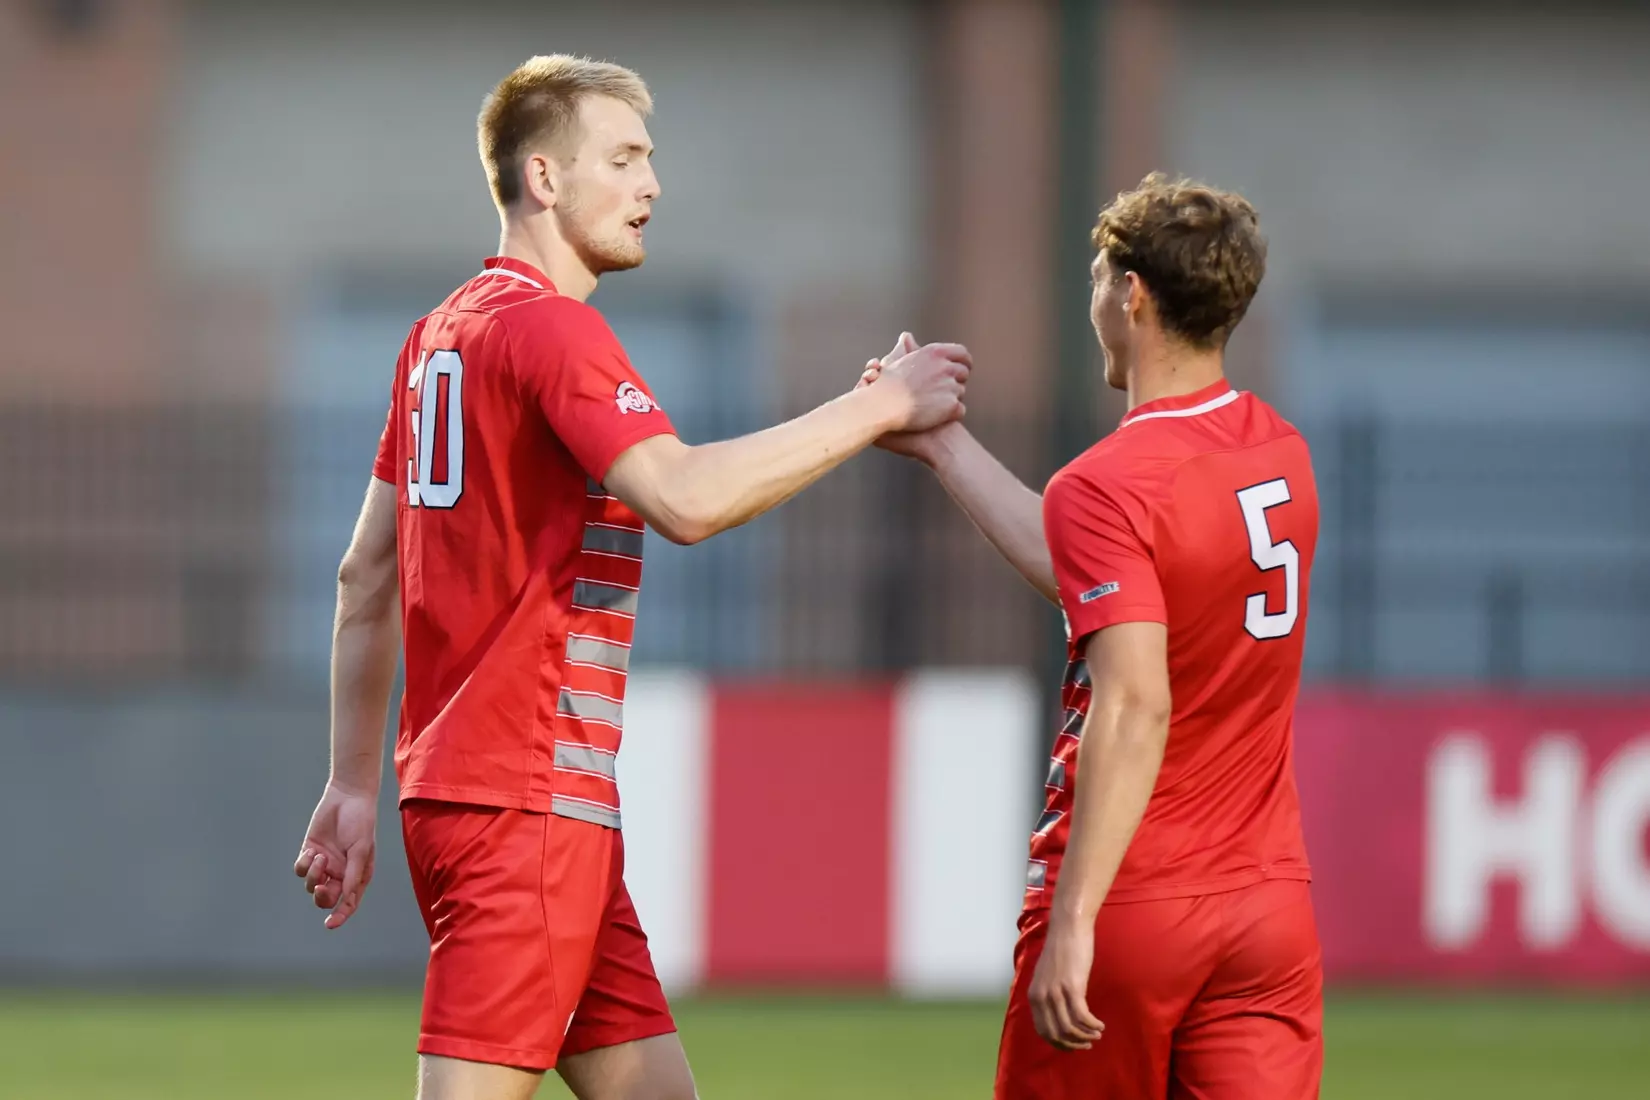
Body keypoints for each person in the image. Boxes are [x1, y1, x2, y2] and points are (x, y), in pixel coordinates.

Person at [292, 55, 969, 1100]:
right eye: (625, 158)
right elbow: (685, 496)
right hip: (527, 807)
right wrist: (875, 407)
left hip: (481, 801)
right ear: (544, 178)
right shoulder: (549, 329)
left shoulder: (437, 335)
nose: (652, 184)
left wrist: (349, 781)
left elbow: (361, 574)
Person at [866, 173, 1321, 1099]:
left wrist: (1074, 916)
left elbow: (1136, 699)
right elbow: (1097, 570)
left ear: (1132, 294)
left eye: (1095, 278)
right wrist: (943, 443)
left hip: (1137, 902)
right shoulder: (1279, 451)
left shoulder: (1110, 481)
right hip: (1268, 908)